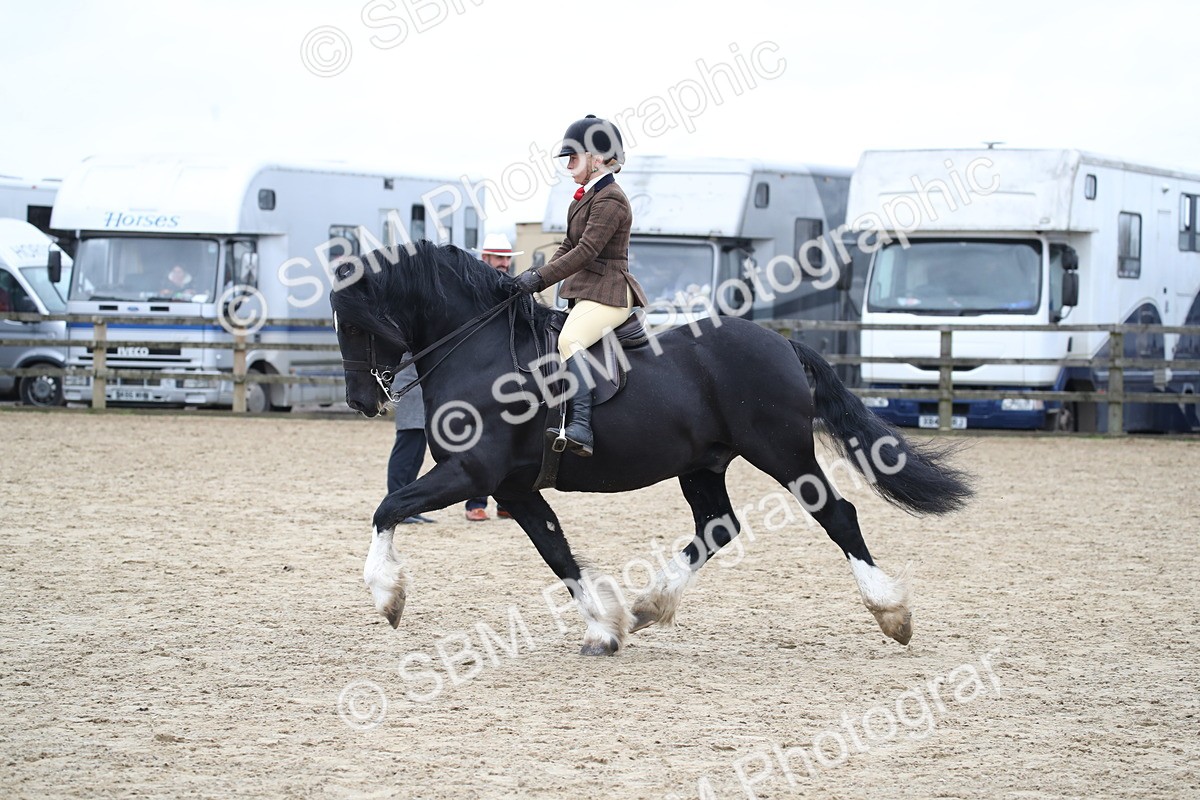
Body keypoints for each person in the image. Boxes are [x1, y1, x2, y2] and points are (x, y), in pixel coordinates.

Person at [513, 115, 649, 457]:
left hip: (610, 293)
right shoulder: (582, 198)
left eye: (575, 155)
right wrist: (531, 276)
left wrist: (540, 279)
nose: (569, 163)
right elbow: (567, 245)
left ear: (599, 158)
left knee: (569, 339)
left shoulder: (611, 199)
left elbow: (587, 251)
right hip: (587, 293)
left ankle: (581, 428)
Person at [463, 233, 525, 521]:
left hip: (507, 369)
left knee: (511, 436)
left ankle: (505, 501)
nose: (503, 263)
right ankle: (475, 502)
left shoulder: (516, 286)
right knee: (478, 437)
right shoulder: (468, 287)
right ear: (484, 258)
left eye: (506, 258)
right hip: (476, 371)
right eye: (498, 257)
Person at [387, 363, 435, 524]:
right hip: (410, 387)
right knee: (406, 453)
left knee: (416, 457)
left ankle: (408, 507)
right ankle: (395, 506)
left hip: (420, 388)